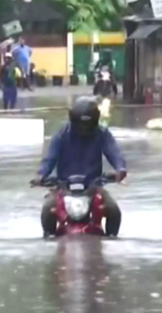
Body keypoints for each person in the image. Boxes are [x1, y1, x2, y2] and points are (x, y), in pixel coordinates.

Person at [32, 97, 128, 237]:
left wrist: (120, 169)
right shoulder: (62, 134)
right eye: (81, 125)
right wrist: (41, 175)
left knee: (113, 211)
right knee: (48, 210)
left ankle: (111, 239)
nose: (84, 129)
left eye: (87, 125)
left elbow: (114, 152)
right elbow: (50, 157)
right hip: (64, 187)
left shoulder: (102, 133)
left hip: (93, 186)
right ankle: (49, 240)